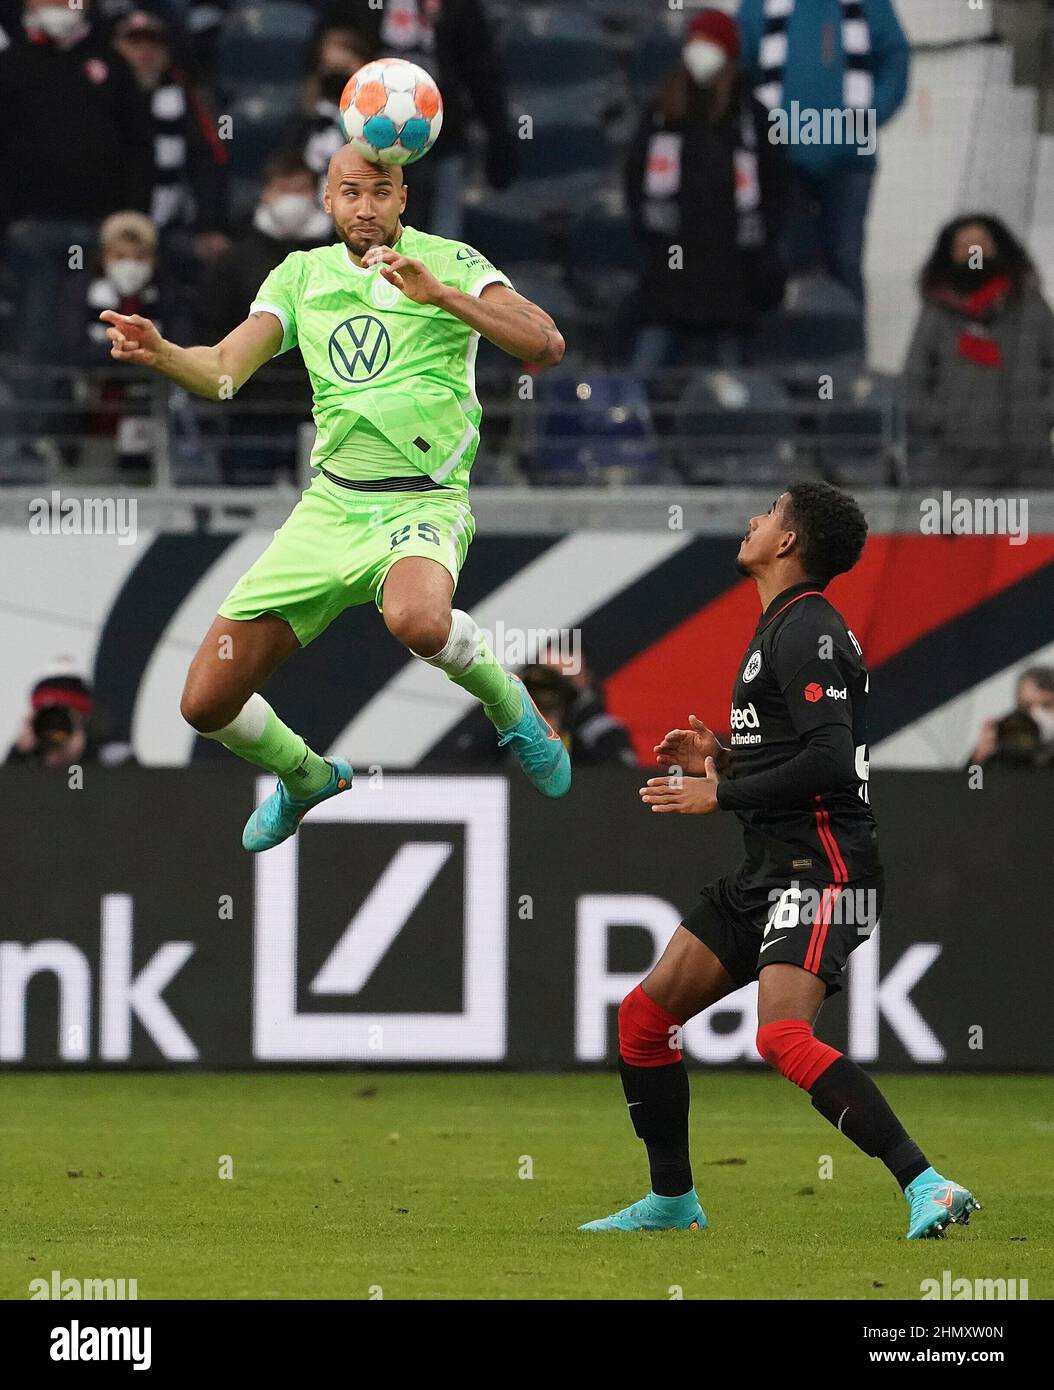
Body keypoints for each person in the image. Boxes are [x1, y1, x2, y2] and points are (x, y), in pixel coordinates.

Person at [101, 146, 571, 851]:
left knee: (416, 619)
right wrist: (163, 351)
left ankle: (513, 706)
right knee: (205, 700)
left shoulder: (451, 262)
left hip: (423, 501)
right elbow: (226, 371)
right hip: (331, 508)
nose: (365, 207)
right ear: (328, 202)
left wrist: (442, 297)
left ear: (404, 198)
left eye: (381, 192)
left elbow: (546, 345)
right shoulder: (301, 276)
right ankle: (306, 777)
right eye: (350, 192)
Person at [580, 481, 980, 1240]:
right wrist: (724, 760)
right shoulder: (784, 628)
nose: (754, 519)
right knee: (644, 1017)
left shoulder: (807, 631)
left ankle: (928, 1184)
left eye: (768, 513)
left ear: (789, 542)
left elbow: (832, 761)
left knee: (780, 1036)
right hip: (768, 869)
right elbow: (799, 752)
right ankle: (672, 1202)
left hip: (825, 869)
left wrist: (717, 795)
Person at [626, 7, 789, 378]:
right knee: (639, 378)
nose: (699, 51)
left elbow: (777, 189)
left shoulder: (754, 118)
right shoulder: (662, 112)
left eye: (709, 44)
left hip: (732, 277)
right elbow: (636, 183)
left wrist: (761, 246)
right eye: (695, 42)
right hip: (670, 274)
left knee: (731, 388)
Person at [0, 0, 153, 364]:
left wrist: (131, 219)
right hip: (31, 231)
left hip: (102, 231)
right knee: (35, 336)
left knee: (99, 334)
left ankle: (97, 419)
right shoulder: (11, 66)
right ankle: (37, 422)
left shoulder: (111, 66)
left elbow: (139, 147)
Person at [737, 0, 910, 307]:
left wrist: (871, 113)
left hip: (850, 161)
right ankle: (791, 350)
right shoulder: (757, 5)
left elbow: (895, 57)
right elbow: (740, 65)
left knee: (844, 259)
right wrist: (758, 129)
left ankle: (851, 348)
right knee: (788, 262)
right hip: (780, 160)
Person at [313, 0, 519, 239]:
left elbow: (481, 70)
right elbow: (329, 47)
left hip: (440, 137)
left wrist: (499, 136)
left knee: (439, 244)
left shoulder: (459, 6)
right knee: (367, 235)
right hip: (365, 137)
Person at [197, 150, 332, 482]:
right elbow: (213, 327)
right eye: (282, 190)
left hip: (325, 410)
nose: (291, 200)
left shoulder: (341, 256)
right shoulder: (235, 261)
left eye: (299, 190)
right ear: (265, 194)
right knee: (242, 510)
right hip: (250, 411)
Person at [903, 214, 1054, 486]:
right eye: (964, 247)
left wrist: (1037, 417)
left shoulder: (1031, 305)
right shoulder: (937, 311)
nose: (974, 253)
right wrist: (943, 421)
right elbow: (914, 381)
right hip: (951, 468)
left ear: (1000, 249)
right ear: (949, 256)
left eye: (981, 244)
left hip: (1029, 465)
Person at [111, 8, 230, 275]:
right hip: (104, 224)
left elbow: (209, 161)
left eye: (154, 44)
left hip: (170, 227)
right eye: (134, 43)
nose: (145, 53)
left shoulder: (186, 99)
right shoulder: (95, 96)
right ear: (115, 48)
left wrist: (210, 225)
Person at [969, 666, 1054, 770]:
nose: (1036, 714)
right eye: (1027, 706)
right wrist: (979, 759)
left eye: (1046, 705)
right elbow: (972, 785)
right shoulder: (1006, 750)